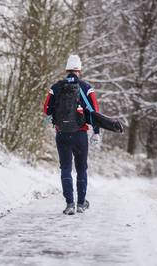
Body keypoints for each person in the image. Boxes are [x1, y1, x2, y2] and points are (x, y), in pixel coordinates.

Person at [43, 54, 100, 215]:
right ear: (79, 70)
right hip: (80, 134)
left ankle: (69, 204)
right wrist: (96, 132)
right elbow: (95, 111)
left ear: (67, 69)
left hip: (62, 134)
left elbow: (46, 110)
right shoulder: (87, 88)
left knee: (66, 168)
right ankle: (81, 203)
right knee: (81, 169)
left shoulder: (55, 87)